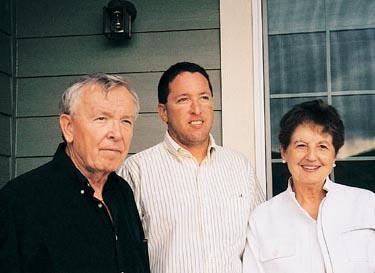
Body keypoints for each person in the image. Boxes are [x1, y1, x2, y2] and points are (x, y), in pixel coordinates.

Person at [117, 62, 265, 273]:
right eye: (183, 100)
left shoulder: (240, 167)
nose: (197, 109)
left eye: (204, 97)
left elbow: (260, 244)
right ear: (163, 112)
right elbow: (124, 254)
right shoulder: (137, 171)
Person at [0, 73, 150, 273]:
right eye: (101, 118)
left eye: (126, 121)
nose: (117, 133)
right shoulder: (20, 200)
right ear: (68, 127)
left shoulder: (123, 192)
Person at [243, 99, 375, 273]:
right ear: (284, 151)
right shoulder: (262, 219)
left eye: (322, 146)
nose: (312, 156)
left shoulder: (366, 205)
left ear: (334, 155)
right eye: (301, 146)